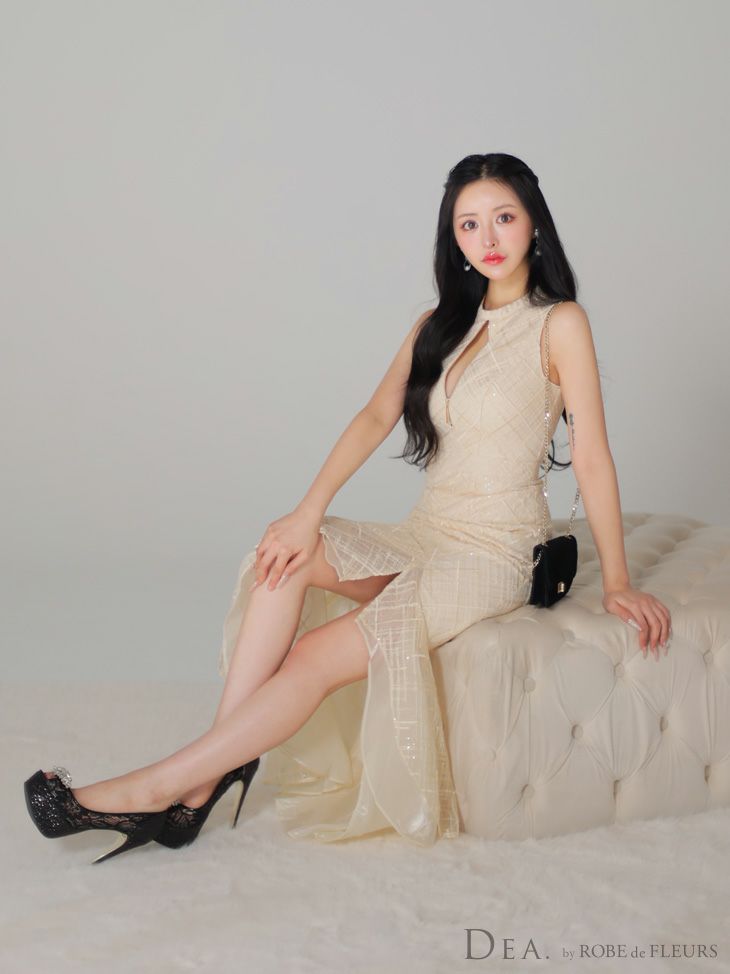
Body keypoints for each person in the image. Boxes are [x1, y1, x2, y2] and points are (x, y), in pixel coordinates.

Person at [24, 152, 672, 863]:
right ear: (452, 238)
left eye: (504, 217)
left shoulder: (560, 323)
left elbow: (591, 455)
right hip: (429, 532)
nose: (487, 238)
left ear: (534, 225)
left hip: (496, 553)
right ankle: (205, 781)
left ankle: (158, 789)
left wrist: (616, 581)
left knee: (311, 656)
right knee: (284, 560)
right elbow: (374, 416)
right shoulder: (438, 325)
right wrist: (307, 512)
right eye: (469, 224)